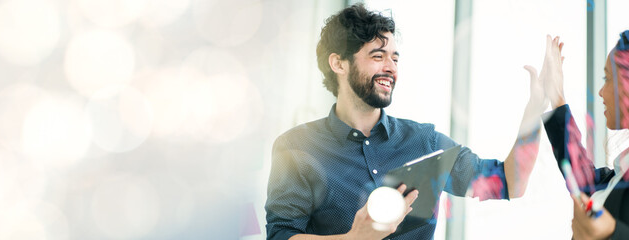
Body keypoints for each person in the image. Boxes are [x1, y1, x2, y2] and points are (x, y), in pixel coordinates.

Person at [265, 3, 549, 240]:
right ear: (339, 63)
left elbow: (510, 183)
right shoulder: (296, 147)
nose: (390, 68)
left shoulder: (424, 141)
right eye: (377, 56)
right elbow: (281, 235)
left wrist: (535, 110)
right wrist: (354, 239)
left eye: (395, 59)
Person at [539, 31, 629, 239]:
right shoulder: (621, 171)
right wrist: (557, 98)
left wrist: (613, 233)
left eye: (607, 78)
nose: (600, 92)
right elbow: (587, 183)